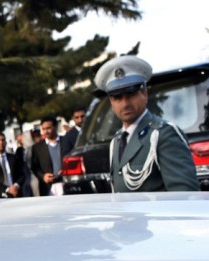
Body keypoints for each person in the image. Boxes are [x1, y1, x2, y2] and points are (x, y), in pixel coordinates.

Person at [94, 55, 199, 192]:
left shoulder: (163, 134)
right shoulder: (117, 140)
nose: (125, 103)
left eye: (131, 94)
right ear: (111, 102)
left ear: (144, 93)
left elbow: (185, 197)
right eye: (117, 97)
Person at [31, 116, 68, 196]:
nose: (46, 131)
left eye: (48, 128)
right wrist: (43, 176)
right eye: (43, 129)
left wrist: (66, 170)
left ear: (55, 127)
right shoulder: (37, 148)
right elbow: (34, 167)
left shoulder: (67, 142)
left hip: (66, 183)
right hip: (48, 188)